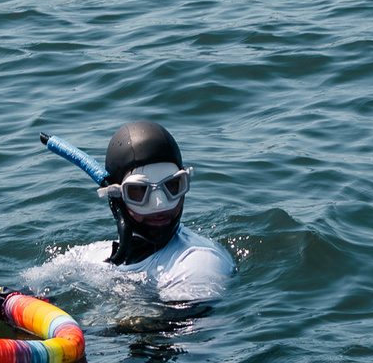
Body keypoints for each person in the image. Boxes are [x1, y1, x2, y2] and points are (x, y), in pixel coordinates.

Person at [32, 121, 235, 304]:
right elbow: (31, 284)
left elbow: (177, 333)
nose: (160, 204)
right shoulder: (94, 255)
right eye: (139, 191)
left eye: (172, 186)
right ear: (116, 198)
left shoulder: (200, 262)